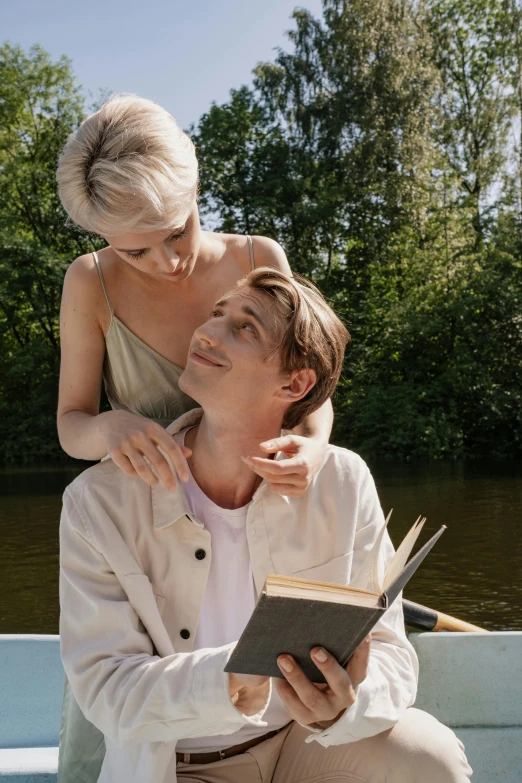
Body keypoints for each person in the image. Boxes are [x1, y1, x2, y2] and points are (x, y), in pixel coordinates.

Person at [59, 268, 472, 783]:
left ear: (295, 383)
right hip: (175, 767)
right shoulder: (98, 501)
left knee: (429, 758)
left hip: (303, 745)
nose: (206, 333)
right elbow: (105, 690)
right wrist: (227, 677)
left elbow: (390, 652)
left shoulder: (342, 480)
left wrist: (345, 706)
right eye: (217, 316)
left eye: (245, 328)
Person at [55, 94, 334, 781]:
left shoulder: (257, 255)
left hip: (254, 516)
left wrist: (317, 444)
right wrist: (111, 427)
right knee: (123, 732)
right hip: (147, 536)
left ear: (195, 187)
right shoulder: (89, 283)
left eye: (176, 231)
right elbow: (71, 425)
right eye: (134, 249)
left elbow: (309, 386)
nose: (167, 261)